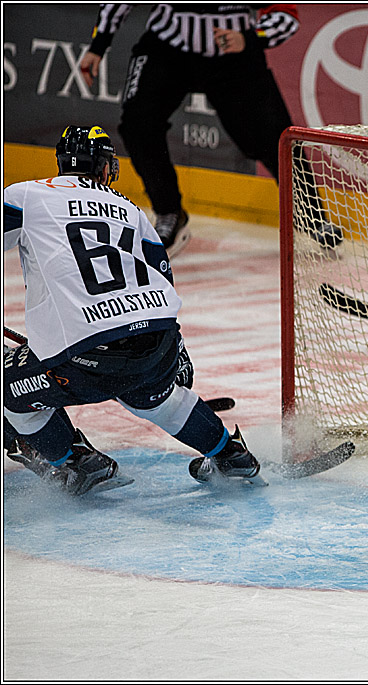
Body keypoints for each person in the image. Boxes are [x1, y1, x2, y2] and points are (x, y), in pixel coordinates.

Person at [3, 125, 266, 495]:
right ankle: (231, 456)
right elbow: (162, 280)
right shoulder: (131, 210)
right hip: (157, 343)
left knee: (8, 390)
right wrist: (177, 351)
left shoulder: (27, 195)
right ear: (103, 166)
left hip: (83, 355)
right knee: (157, 398)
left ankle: (77, 463)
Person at [78, 4, 341, 258]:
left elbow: (285, 13)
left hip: (232, 51)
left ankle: (312, 217)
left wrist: (250, 38)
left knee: (275, 137)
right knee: (138, 124)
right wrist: (98, 45)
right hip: (168, 47)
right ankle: (169, 212)